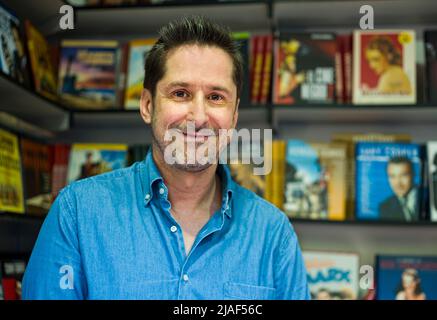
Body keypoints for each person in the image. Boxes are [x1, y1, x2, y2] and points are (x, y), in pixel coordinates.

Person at [22, 16, 310, 300]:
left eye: (216, 97)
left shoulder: (274, 234)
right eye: (181, 93)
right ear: (147, 105)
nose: (198, 117)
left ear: (233, 116)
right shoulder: (77, 212)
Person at [378, 157, 419, 221]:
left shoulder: (429, 198)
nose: (398, 183)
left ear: (413, 174)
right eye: (392, 176)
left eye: (403, 175)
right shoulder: (385, 207)